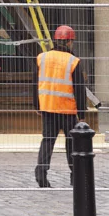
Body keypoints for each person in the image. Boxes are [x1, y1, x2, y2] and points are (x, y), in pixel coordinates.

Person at [34, 24, 88, 188]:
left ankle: (41, 175)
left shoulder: (42, 57)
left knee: (48, 141)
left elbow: (34, 83)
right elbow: (79, 88)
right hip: (67, 109)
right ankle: (76, 176)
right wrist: (82, 112)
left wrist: (37, 105)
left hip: (48, 108)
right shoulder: (73, 61)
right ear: (70, 41)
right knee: (72, 142)